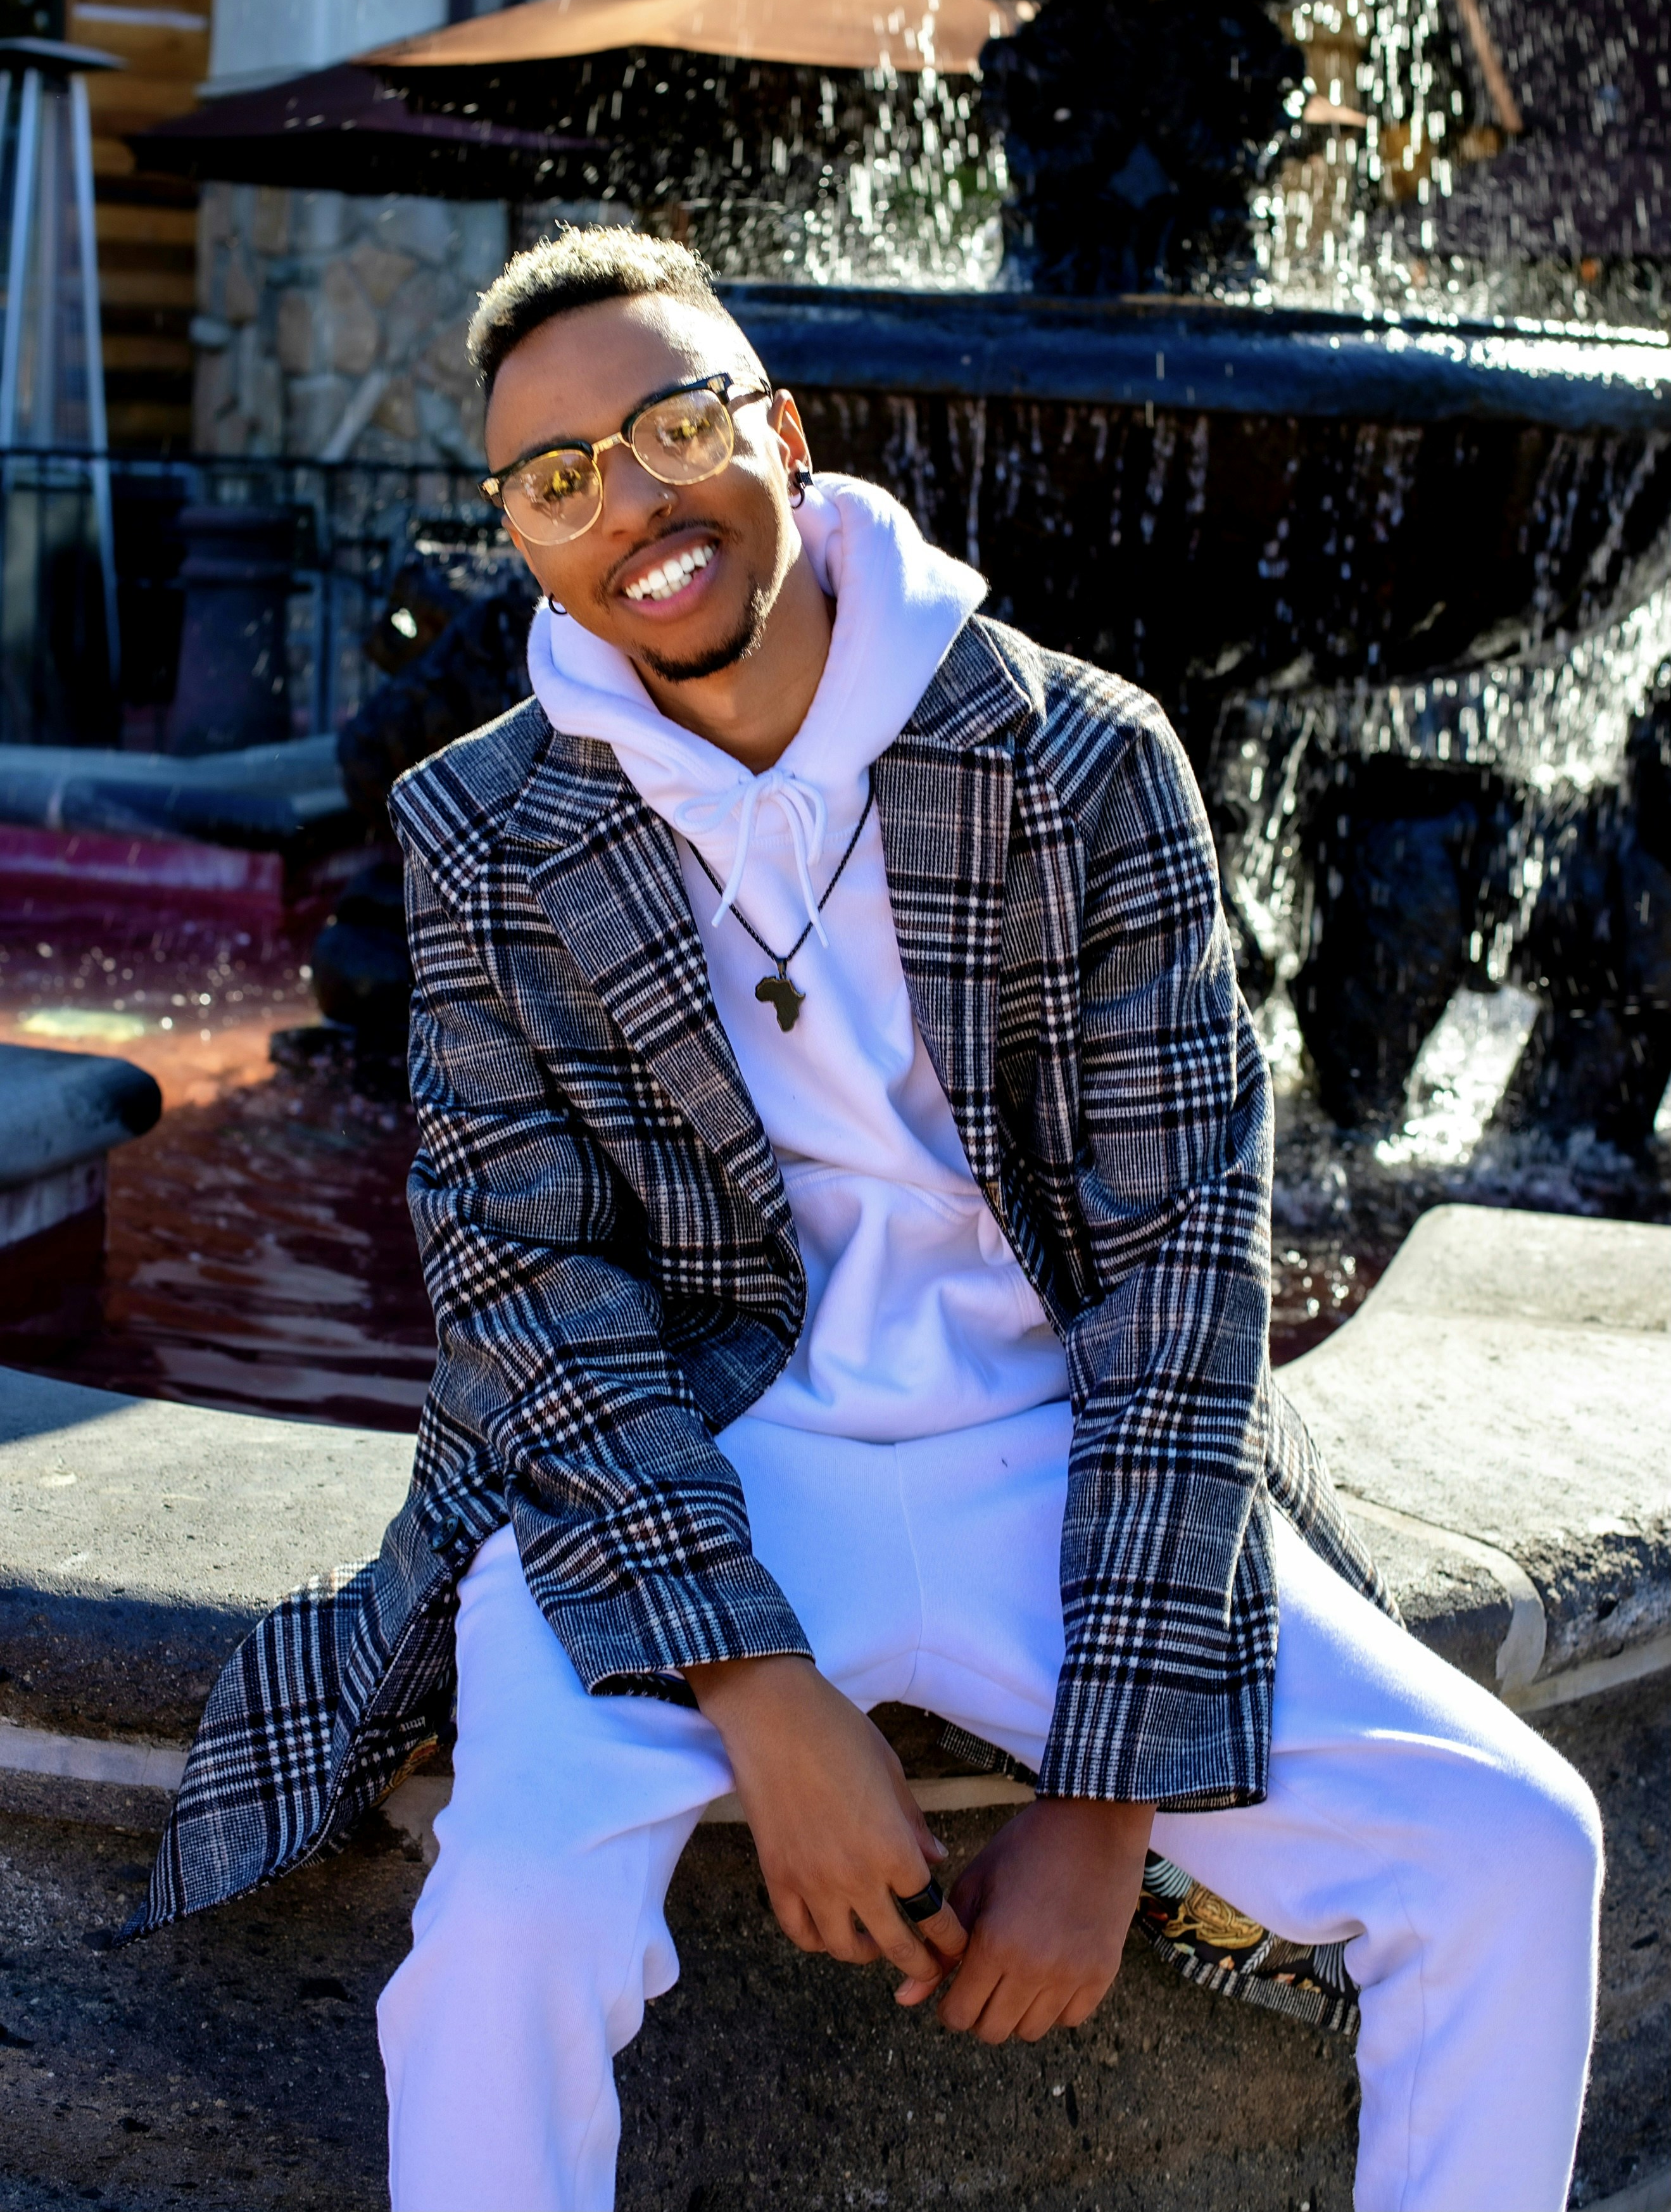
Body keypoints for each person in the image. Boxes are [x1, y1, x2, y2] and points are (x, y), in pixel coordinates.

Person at [133, 231, 1603, 2212]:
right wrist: (760, 1684)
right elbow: (525, 1284)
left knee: (1520, 1849)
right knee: (504, 1934)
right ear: (523, 539)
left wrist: (1103, 1799)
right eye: (557, 482)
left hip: (1049, 1446)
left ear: (785, 436)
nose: (630, 504)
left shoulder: (1079, 755)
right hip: (703, 1458)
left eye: (671, 429)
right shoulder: (490, 822)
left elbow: (1184, 1272)